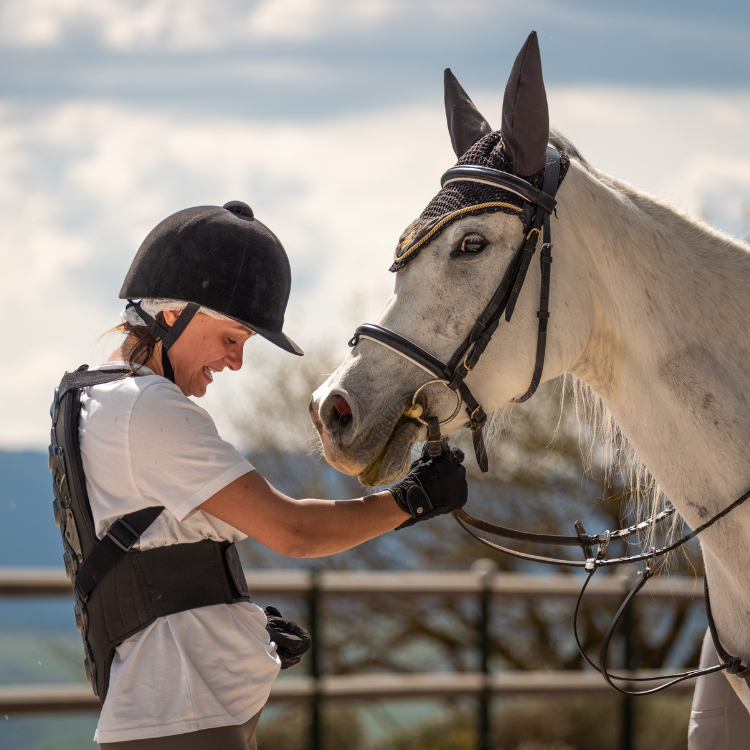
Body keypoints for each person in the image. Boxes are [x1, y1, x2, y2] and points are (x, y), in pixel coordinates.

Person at [49, 200, 468, 749]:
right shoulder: (147, 410)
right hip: (186, 713)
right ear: (172, 314)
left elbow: (145, 553)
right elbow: (295, 531)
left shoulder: (97, 398)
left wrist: (232, 620)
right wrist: (412, 499)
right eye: (231, 338)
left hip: (176, 708)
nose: (236, 363)